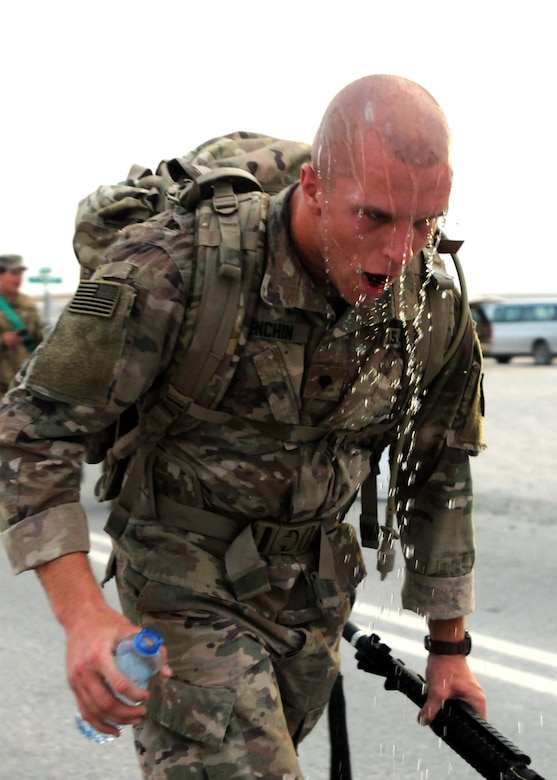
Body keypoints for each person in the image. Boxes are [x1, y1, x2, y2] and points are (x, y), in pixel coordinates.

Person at [0, 74, 487, 778]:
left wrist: (449, 650)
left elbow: (440, 468)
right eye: (373, 217)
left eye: (424, 221)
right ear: (315, 187)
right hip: (181, 571)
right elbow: (31, 430)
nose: (399, 251)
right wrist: (82, 617)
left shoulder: (428, 304)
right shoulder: (175, 266)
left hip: (312, 591)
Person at [0, 254, 43, 395]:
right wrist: (3, 341)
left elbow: (40, 341)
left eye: (20, 273)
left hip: (22, 388)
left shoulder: (28, 304)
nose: (18, 278)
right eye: (13, 273)